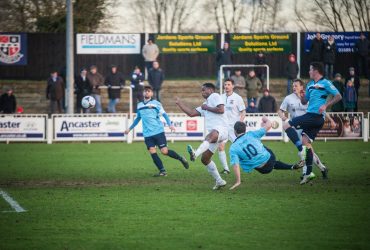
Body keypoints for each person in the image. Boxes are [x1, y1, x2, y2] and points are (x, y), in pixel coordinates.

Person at [282, 62, 341, 184]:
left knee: (286, 125)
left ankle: (300, 150)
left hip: (314, 116)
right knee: (306, 143)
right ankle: (309, 173)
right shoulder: (309, 85)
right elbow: (304, 102)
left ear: (316, 71)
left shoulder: (326, 83)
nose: (308, 72)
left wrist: (326, 105)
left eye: (310, 70)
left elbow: (338, 96)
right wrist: (301, 96)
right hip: (312, 118)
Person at [125, 85, 189, 176]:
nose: (147, 92)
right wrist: (129, 129)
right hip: (147, 134)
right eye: (145, 91)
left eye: (148, 91)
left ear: (151, 93)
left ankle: (180, 158)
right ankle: (162, 171)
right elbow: (138, 118)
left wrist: (170, 124)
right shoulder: (139, 105)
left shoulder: (156, 103)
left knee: (164, 152)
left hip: (158, 131)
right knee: (152, 151)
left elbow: (165, 115)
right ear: (143, 93)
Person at [175, 83, 228, 190]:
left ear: (211, 89)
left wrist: (207, 107)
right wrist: (179, 103)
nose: (202, 92)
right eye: (201, 90)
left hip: (221, 129)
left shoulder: (215, 96)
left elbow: (221, 110)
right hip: (215, 134)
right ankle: (219, 181)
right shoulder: (205, 104)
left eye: (204, 90)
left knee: (208, 137)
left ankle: (195, 153)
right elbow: (191, 113)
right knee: (205, 159)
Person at [278, 79, 332, 180]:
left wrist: (331, 120)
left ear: (302, 87)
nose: (294, 87)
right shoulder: (288, 98)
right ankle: (322, 168)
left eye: (296, 86)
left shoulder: (309, 98)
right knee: (307, 150)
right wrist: (283, 117)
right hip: (296, 127)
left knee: (305, 150)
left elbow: (320, 110)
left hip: (308, 126)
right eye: (293, 86)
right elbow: (280, 111)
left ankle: (307, 172)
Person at [229, 119, 303, 190]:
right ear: (245, 130)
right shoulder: (251, 134)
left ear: (235, 131)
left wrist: (238, 181)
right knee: (259, 146)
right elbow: (269, 125)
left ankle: (292, 167)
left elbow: (236, 165)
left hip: (263, 170)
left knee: (252, 156)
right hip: (270, 157)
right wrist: (265, 120)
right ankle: (292, 166)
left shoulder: (233, 147)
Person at [218, 79, 246, 174]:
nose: (226, 86)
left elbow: (243, 111)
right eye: (225, 84)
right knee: (221, 146)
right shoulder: (220, 97)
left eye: (228, 84)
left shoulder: (238, 98)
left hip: (234, 128)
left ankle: (248, 163)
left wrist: (240, 123)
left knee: (239, 148)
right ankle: (226, 169)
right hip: (224, 127)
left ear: (233, 86)